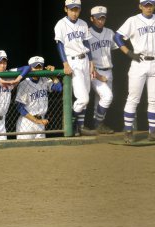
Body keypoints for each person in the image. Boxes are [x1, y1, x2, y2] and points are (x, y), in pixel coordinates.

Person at [114, 0, 155, 143]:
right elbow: (117, 37)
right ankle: (128, 132)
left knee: (154, 99)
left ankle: (152, 132)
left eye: (150, 5)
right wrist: (129, 53)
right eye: (146, 5)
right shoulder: (133, 20)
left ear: (154, 6)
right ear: (140, 6)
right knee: (133, 98)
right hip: (139, 62)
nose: (148, 7)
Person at [54, 0, 97, 136]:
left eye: (76, 9)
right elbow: (59, 44)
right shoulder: (61, 24)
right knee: (83, 98)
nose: (74, 12)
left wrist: (91, 62)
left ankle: (80, 127)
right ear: (66, 9)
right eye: (72, 9)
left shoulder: (83, 23)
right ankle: (70, 123)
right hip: (73, 61)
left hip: (85, 60)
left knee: (85, 96)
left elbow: (86, 43)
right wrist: (65, 63)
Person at [87, 5, 119, 134]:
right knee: (107, 97)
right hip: (95, 71)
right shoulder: (87, 33)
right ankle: (98, 124)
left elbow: (115, 48)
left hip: (108, 70)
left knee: (100, 101)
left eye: (103, 18)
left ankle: (97, 127)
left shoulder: (110, 32)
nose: (100, 21)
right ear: (92, 18)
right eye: (98, 18)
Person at [14, 56, 63, 140]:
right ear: (30, 67)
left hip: (41, 121)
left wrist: (52, 74)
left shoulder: (44, 79)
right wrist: (36, 121)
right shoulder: (24, 84)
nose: (38, 69)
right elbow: (19, 107)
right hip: (27, 122)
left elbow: (59, 88)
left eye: (40, 67)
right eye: (35, 67)